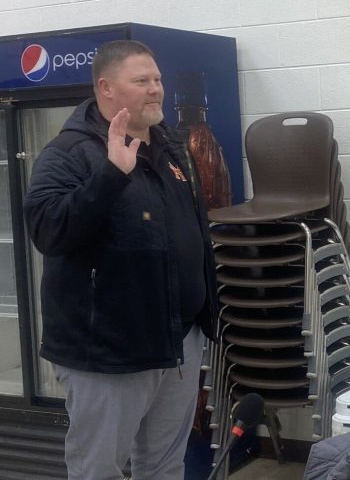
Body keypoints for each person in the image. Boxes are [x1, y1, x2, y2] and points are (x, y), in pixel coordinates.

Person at [25, 40, 218, 480]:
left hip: (178, 343)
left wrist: (204, 317)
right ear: (107, 88)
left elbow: (193, 236)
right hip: (107, 353)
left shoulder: (171, 148)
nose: (156, 90)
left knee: (165, 466)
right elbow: (47, 231)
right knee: (100, 470)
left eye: (158, 80)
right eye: (142, 81)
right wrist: (110, 175)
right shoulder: (68, 152)